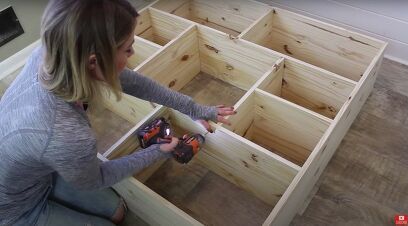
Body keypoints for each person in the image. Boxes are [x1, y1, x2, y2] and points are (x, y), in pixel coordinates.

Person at [0, 0, 236, 225]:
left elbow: (137, 84)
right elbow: (97, 178)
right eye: (128, 48)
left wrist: (195, 109)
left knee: (118, 212)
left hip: (36, 173)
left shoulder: (55, 53)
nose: (132, 53)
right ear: (94, 62)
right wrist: (157, 151)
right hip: (13, 210)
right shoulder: (66, 135)